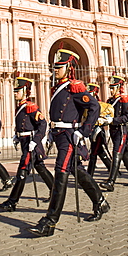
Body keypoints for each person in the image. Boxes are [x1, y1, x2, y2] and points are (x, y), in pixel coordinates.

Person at [29, 48, 110, 237]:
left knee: (61, 172)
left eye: (60, 67)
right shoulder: (58, 88)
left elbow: (94, 107)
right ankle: (100, 202)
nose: (55, 70)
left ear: (69, 67)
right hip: (59, 135)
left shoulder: (75, 88)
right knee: (78, 172)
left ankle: (49, 222)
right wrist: (51, 131)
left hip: (69, 137)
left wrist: (84, 131)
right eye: (55, 67)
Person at [0, 77, 54, 211]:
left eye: (18, 91)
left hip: (31, 145)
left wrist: (36, 140)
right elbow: (23, 125)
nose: (15, 93)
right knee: (40, 168)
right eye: (15, 91)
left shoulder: (30, 107)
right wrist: (17, 135)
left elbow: (42, 123)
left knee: (22, 171)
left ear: (25, 91)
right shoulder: (20, 107)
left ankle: (12, 201)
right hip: (25, 143)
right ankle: (55, 191)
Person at [99, 76, 128, 192]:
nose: (111, 90)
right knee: (125, 155)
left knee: (116, 153)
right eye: (110, 88)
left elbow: (127, 117)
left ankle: (111, 181)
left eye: (113, 88)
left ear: (119, 88)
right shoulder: (110, 101)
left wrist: (113, 120)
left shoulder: (124, 100)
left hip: (121, 131)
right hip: (113, 131)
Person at [86, 83, 112, 177]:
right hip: (90, 132)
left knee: (93, 153)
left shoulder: (102, 106)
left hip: (98, 132)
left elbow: (108, 118)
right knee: (100, 152)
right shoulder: (86, 106)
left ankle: (89, 175)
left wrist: (103, 120)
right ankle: (113, 170)